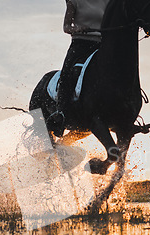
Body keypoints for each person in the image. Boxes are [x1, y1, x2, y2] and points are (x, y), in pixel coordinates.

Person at [49, 0, 110, 137]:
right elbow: (66, 27)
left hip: (101, 46)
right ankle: (61, 114)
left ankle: (125, 115)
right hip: (80, 44)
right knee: (66, 75)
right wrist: (78, 29)